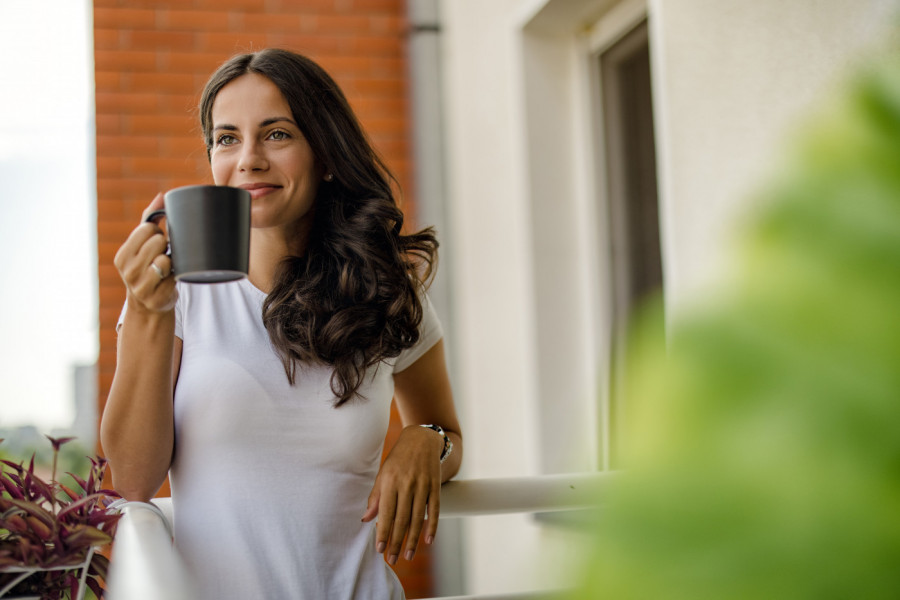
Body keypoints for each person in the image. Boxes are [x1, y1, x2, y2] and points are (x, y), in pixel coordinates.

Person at [100, 48, 462, 600]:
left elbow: (447, 435)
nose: (247, 159)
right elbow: (130, 478)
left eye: (276, 134)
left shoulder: (386, 289)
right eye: (226, 138)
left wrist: (423, 440)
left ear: (328, 155)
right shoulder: (174, 296)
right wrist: (149, 312)